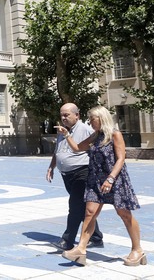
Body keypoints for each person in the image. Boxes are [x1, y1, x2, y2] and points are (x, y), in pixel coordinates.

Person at [59, 105, 144, 267]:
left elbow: (121, 158)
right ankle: (81, 249)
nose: (90, 121)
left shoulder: (114, 134)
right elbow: (78, 148)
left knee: (124, 214)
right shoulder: (95, 136)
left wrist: (111, 178)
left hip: (115, 180)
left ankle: (137, 250)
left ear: (102, 118)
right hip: (95, 180)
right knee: (90, 212)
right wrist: (67, 135)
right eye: (90, 119)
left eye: (93, 119)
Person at [46, 103, 103, 251]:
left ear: (77, 115)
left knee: (75, 206)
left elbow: (94, 148)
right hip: (67, 174)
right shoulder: (62, 130)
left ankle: (67, 240)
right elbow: (57, 150)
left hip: (81, 172)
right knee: (82, 207)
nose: (63, 118)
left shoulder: (86, 129)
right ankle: (96, 237)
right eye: (62, 115)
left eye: (67, 115)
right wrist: (52, 166)